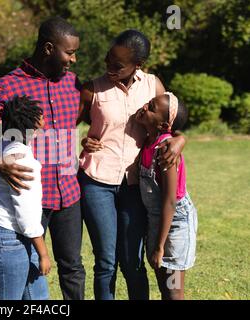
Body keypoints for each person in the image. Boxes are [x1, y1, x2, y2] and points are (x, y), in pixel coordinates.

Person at [0, 16, 85, 300]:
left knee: (73, 267)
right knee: (31, 267)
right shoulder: (6, 88)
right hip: (30, 198)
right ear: (49, 48)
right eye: (70, 52)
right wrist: (0, 164)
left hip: (69, 194)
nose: (73, 60)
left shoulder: (73, 85)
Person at [77, 29, 186, 300]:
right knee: (105, 261)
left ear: (138, 65)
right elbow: (68, 127)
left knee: (133, 261)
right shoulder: (92, 88)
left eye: (118, 65)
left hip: (136, 186)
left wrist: (181, 140)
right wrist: (82, 140)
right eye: (108, 60)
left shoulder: (153, 85)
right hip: (96, 181)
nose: (109, 68)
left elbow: (169, 123)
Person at [0, 95, 50, 300]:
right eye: (40, 115)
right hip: (6, 239)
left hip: (11, 237)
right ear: (33, 123)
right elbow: (26, 216)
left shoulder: (5, 144)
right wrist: (43, 254)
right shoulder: (23, 162)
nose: (44, 118)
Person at [135, 93, 197, 300]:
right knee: (163, 284)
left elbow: (170, 201)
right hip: (157, 220)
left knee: (174, 289)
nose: (144, 107)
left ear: (162, 125)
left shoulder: (165, 150)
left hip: (175, 222)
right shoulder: (147, 142)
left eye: (151, 107)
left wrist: (160, 246)